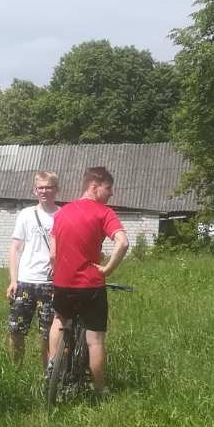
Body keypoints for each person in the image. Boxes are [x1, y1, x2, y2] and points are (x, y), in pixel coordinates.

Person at [47, 165, 130, 395]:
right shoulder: (104, 212)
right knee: (95, 340)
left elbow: (53, 254)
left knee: (59, 320)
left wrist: (61, 270)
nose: (111, 193)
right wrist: (108, 269)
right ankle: (100, 389)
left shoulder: (61, 213)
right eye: (108, 188)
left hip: (62, 284)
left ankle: (51, 367)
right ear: (94, 186)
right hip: (90, 285)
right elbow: (122, 242)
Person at [6, 170, 60, 362]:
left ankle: (47, 373)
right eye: (40, 188)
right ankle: (16, 369)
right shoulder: (26, 214)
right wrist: (13, 280)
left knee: (48, 334)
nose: (44, 191)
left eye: (48, 187)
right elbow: (15, 248)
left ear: (56, 189)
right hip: (25, 281)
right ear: (34, 190)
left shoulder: (62, 215)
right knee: (16, 330)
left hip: (50, 283)